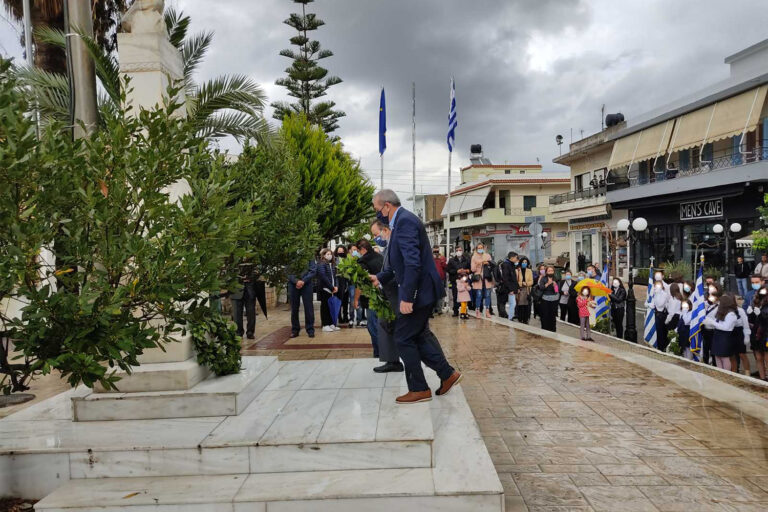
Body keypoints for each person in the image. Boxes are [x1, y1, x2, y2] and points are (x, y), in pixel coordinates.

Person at [370, 190, 460, 404]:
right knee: (417, 336)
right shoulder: (400, 222)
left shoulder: (405, 222)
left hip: (420, 292)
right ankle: (447, 374)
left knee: (403, 338)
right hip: (422, 290)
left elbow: (412, 263)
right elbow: (398, 264)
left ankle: (419, 389)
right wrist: (379, 277)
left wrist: (408, 298)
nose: (377, 214)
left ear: (387, 206)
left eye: (377, 209)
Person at [372, 221, 404, 373]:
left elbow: (394, 272)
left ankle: (395, 361)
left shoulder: (394, 247)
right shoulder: (387, 248)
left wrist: (379, 279)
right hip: (388, 293)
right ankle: (392, 360)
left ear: (385, 230)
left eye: (376, 234)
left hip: (395, 295)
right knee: (385, 326)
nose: (375, 238)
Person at [355, 239, 384, 356]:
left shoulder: (363, 261)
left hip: (371, 298)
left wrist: (356, 299)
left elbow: (361, 283)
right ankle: (386, 352)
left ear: (362, 249)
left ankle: (378, 353)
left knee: (372, 326)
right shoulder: (380, 257)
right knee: (382, 326)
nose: (357, 253)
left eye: (358, 251)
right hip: (384, 295)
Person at [704, 294, 738, 370]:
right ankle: (719, 371)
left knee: (724, 357)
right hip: (718, 335)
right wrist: (709, 321)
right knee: (717, 356)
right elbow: (718, 322)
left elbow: (726, 327)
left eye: (720, 302)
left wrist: (712, 322)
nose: (718, 304)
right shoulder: (722, 312)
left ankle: (726, 373)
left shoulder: (731, 314)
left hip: (725, 337)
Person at [287, 258, 317, 338]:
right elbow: (287, 270)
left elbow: (313, 270)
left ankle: (310, 329)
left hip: (307, 284)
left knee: (308, 308)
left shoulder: (309, 254)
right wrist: (296, 281)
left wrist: (303, 281)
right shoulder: (290, 253)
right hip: (293, 284)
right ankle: (295, 330)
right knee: (294, 308)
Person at [230, 262, 257, 340]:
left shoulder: (253, 259)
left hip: (250, 291)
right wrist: (240, 278)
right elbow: (227, 276)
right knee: (237, 314)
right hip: (236, 291)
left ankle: (250, 332)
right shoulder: (231, 260)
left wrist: (250, 277)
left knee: (251, 313)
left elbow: (258, 274)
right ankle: (238, 332)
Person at [747, 286, 768, 380]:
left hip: (766, 334)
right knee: (758, 357)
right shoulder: (756, 302)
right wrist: (750, 314)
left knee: (767, 357)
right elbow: (752, 321)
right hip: (756, 334)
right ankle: (762, 378)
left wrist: (760, 315)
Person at [317, 248, 339, 333]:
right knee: (325, 307)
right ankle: (325, 325)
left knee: (331, 307)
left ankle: (331, 324)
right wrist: (331, 287)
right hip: (325, 289)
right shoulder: (321, 264)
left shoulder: (332, 264)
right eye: (327, 254)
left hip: (332, 289)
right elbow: (323, 277)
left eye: (330, 254)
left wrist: (336, 286)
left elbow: (335, 276)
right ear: (323, 255)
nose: (329, 256)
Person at [702, 283, 723, 365]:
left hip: (714, 331)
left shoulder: (721, 304)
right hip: (705, 330)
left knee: (714, 352)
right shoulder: (706, 303)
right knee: (705, 350)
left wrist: (710, 321)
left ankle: (714, 365)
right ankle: (705, 364)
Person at [446, 247, 471, 317]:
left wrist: (467, 271)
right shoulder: (451, 260)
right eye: (457, 250)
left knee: (465, 296)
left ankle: (464, 311)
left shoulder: (467, 259)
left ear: (462, 251)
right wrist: (456, 271)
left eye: (460, 250)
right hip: (455, 280)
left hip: (464, 281)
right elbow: (448, 270)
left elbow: (470, 269)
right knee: (455, 295)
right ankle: (455, 311)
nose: (458, 251)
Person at [471, 243, 494, 318]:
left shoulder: (487, 256)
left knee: (488, 295)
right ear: (476, 249)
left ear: (483, 248)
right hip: (479, 279)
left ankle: (487, 311)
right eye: (479, 248)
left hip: (487, 278)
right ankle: (478, 311)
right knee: (479, 296)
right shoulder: (474, 257)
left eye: (481, 248)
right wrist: (479, 263)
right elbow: (472, 269)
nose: (480, 249)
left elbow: (492, 265)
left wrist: (488, 263)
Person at [650, 276, 670, 352]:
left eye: (658, 286)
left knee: (661, 331)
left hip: (661, 314)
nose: (656, 287)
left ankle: (661, 347)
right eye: (656, 286)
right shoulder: (654, 293)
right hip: (656, 313)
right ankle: (657, 345)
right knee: (656, 331)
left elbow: (660, 304)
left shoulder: (664, 294)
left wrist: (657, 294)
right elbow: (652, 303)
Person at [538, 265, 559, 332]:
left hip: (554, 299)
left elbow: (557, 290)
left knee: (553, 315)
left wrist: (555, 285)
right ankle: (545, 329)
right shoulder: (543, 278)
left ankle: (553, 329)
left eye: (552, 270)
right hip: (545, 299)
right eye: (549, 271)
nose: (550, 272)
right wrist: (547, 283)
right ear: (546, 272)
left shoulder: (556, 278)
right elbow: (541, 288)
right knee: (545, 314)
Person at [732, 304, 751, 375]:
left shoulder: (740, 310)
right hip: (730, 332)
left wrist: (747, 335)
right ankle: (734, 373)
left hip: (739, 332)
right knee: (732, 355)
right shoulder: (725, 309)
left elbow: (745, 323)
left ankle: (747, 373)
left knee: (742, 354)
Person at [500, 252, 520, 321]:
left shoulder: (511, 265)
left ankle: (510, 317)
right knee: (512, 303)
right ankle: (510, 318)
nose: (517, 259)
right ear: (512, 258)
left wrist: (517, 288)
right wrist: (510, 289)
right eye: (516, 258)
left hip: (512, 288)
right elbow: (506, 278)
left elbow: (514, 278)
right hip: (508, 288)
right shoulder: (506, 265)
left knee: (512, 303)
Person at [516, 257, 534, 324]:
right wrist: (521, 283)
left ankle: (526, 319)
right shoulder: (517, 270)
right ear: (520, 263)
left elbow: (531, 281)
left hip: (527, 289)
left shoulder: (529, 271)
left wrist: (526, 283)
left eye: (525, 262)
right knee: (520, 305)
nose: (524, 263)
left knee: (526, 305)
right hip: (520, 290)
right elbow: (516, 281)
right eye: (523, 262)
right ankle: (520, 318)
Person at [335, 246, 350, 326]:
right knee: (339, 300)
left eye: (342, 251)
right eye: (339, 251)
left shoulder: (347, 259)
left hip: (346, 281)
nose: (341, 253)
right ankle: (339, 316)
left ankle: (345, 316)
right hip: (339, 281)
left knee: (345, 300)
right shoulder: (335, 259)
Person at [347, 244, 361, 327]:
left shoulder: (359, 258)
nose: (355, 251)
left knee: (359, 301)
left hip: (359, 283)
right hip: (351, 283)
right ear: (349, 250)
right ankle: (351, 319)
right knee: (352, 300)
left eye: (356, 249)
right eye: (353, 249)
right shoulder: (347, 259)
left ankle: (359, 320)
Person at [432, 247, 447, 315]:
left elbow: (445, 267)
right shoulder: (430, 258)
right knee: (432, 294)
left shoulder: (442, 258)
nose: (436, 253)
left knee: (440, 295)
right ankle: (432, 309)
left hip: (441, 278)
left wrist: (441, 260)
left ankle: (439, 309)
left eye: (437, 251)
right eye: (434, 251)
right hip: (432, 279)